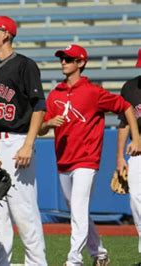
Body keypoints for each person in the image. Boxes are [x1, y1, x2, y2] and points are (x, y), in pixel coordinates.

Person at [39, 44, 140, 266]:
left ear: (81, 63)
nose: (63, 62)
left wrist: (136, 136)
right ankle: (99, 252)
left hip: (86, 160)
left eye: (68, 58)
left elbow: (126, 108)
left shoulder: (93, 92)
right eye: (62, 58)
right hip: (63, 160)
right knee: (78, 210)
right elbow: (40, 129)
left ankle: (73, 260)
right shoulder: (55, 94)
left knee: (78, 208)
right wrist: (47, 124)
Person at [0, 15, 47, 266]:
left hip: (17, 141)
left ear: (5, 34)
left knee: (24, 213)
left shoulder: (25, 65)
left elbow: (39, 106)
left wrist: (29, 143)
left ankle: (38, 263)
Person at [115, 48, 141, 259]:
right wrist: (120, 156)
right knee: (136, 198)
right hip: (137, 149)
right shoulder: (131, 87)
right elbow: (124, 123)